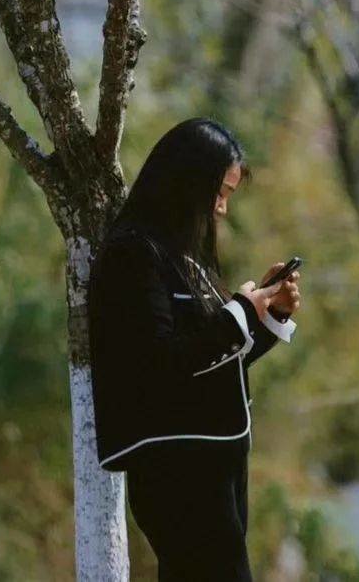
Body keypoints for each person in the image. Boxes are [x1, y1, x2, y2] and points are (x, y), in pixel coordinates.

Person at [88, 118, 302, 582]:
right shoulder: (134, 255)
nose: (222, 209)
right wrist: (241, 310)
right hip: (176, 471)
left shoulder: (186, 259)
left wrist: (267, 317)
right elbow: (163, 364)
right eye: (218, 192)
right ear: (187, 183)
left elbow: (212, 361)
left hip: (214, 466)